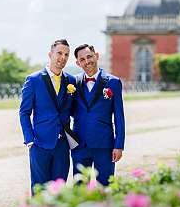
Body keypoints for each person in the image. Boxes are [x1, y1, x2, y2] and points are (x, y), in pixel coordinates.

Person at [19, 39, 77, 194]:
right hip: (39, 144)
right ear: (50, 54)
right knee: (39, 191)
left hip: (63, 146)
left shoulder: (71, 81)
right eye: (59, 53)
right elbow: (24, 112)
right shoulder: (34, 80)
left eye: (66, 54)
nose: (63, 57)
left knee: (59, 191)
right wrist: (30, 140)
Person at [71, 44, 125, 186]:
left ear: (97, 56)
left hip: (105, 145)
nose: (87, 61)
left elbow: (119, 116)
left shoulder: (113, 82)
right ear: (78, 63)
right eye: (82, 59)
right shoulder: (73, 82)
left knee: (106, 187)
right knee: (80, 189)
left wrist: (119, 145)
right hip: (79, 146)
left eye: (89, 56)